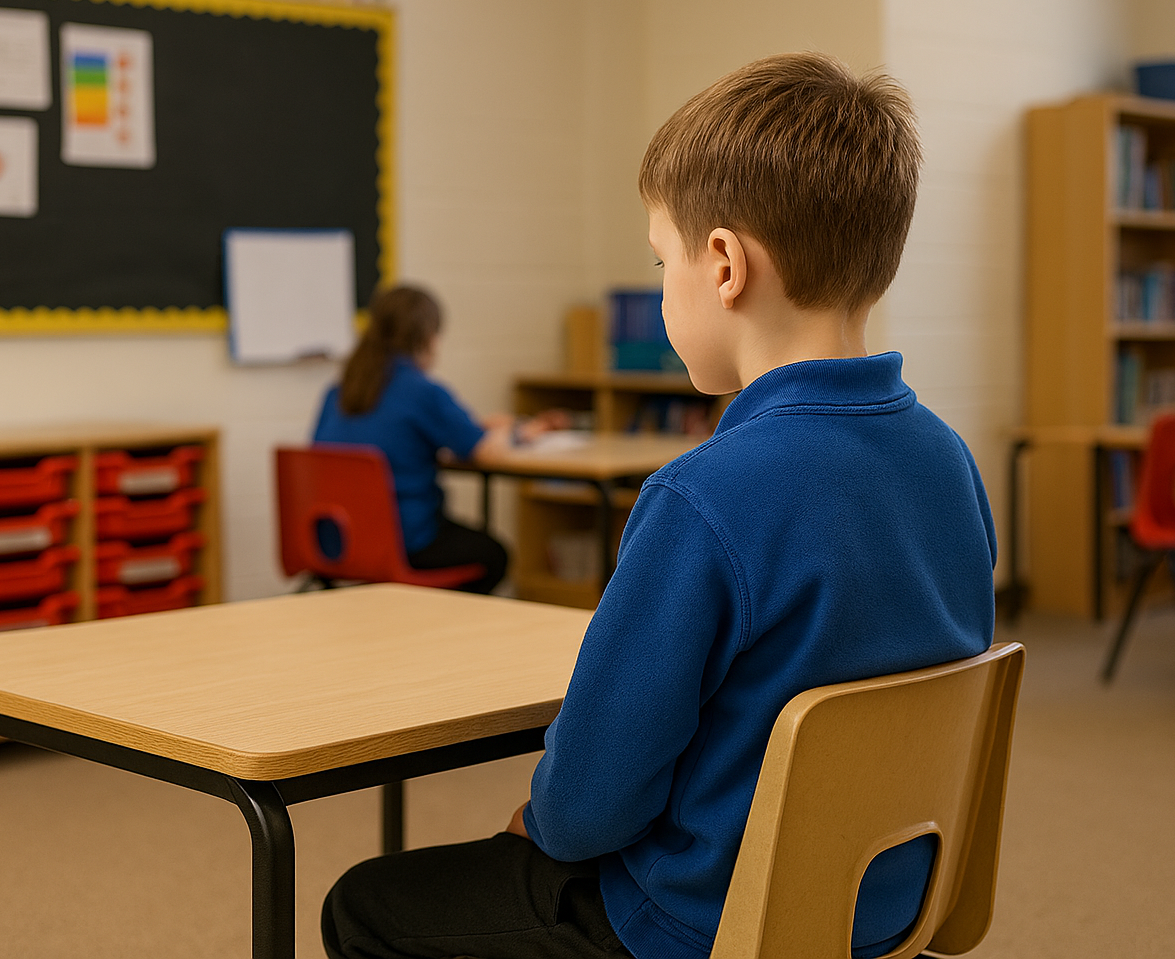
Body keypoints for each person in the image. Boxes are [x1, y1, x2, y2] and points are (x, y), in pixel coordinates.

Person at [321, 53, 997, 959]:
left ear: (722, 265)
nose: (662, 289)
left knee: (364, 903)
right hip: (881, 910)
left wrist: (542, 819)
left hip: (694, 925)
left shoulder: (704, 494)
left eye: (658, 260)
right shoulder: (949, 463)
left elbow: (589, 806)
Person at [313, 284, 562, 594]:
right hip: (403, 541)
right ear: (426, 337)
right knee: (494, 555)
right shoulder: (422, 391)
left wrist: (478, 427)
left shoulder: (339, 392)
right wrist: (514, 431)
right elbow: (486, 452)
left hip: (336, 542)